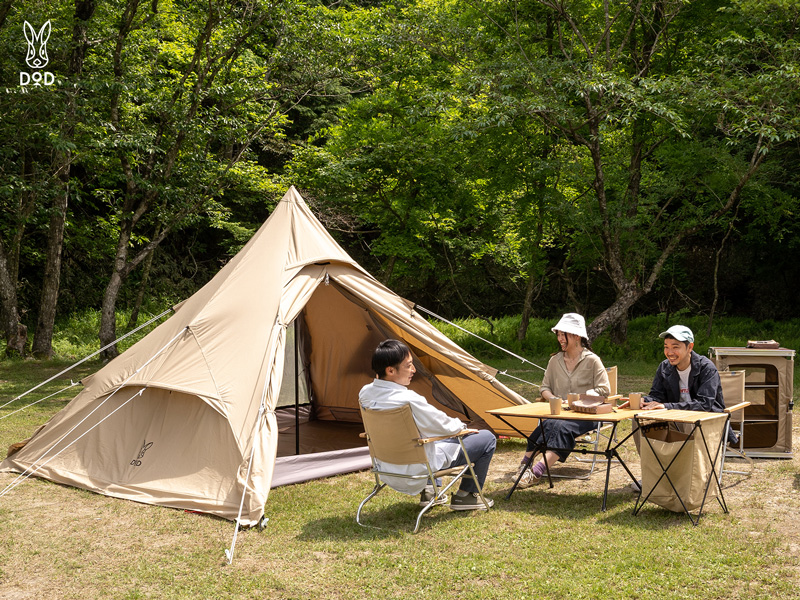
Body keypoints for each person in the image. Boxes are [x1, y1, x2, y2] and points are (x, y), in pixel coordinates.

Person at [359, 339, 497, 511]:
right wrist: (462, 427)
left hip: (386, 468)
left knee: (425, 437)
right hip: (415, 470)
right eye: (409, 366)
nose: (414, 370)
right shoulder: (409, 399)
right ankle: (466, 496)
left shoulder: (365, 394)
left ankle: (430, 491)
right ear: (390, 370)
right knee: (486, 438)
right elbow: (443, 426)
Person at [630, 324, 735, 491]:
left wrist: (666, 406)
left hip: (706, 421)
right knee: (640, 422)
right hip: (674, 418)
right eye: (666, 347)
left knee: (689, 422)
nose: (670, 352)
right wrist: (643, 401)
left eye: (675, 347)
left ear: (690, 347)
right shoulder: (664, 367)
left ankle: (688, 479)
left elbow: (704, 404)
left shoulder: (707, 368)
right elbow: (656, 396)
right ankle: (655, 475)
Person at [512, 313, 610, 488]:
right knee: (548, 424)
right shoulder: (554, 361)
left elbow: (604, 390)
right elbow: (544, 388)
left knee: (560, 426)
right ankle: (524, 466)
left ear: (577, 336)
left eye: (563, 335)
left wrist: (583, 398)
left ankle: (536, 472)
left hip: (587, 414)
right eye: (558, 335)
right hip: (560, 412)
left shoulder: (592, 360)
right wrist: (554, 399)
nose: (559, 339)